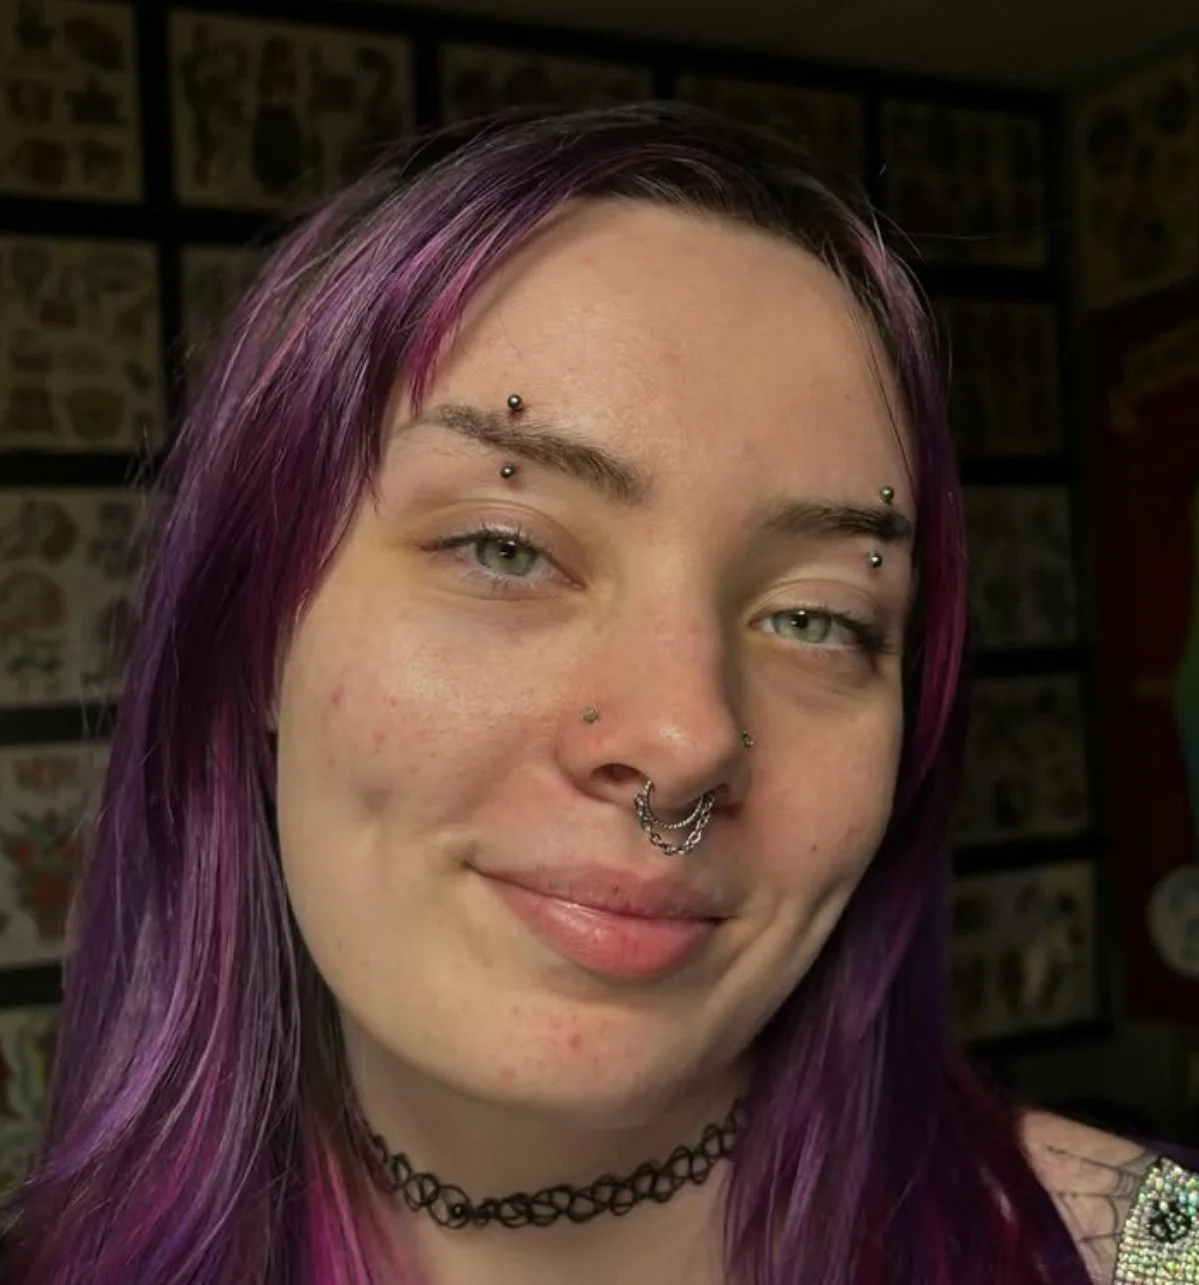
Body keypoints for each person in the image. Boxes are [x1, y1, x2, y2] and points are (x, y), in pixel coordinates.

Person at [2, 102, 1194, 1285]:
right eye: (505, 548)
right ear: (256, 631)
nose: (682, 741)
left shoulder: (1151, 1245)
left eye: (816, 616)